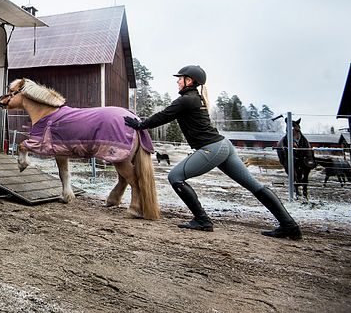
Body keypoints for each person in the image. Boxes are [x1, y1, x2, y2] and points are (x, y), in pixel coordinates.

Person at [124, 65, 302, 240]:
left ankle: (202, 219)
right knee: (254, 186)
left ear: (190, 80)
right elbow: (166, 115)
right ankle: (289, 225)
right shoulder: (197, 98)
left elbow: (163, 116)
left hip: (212, 148)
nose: (177, 81)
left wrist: (140, 125)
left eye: (180, 78)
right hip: (223, 146)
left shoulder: (186, 100)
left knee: (175, 177)